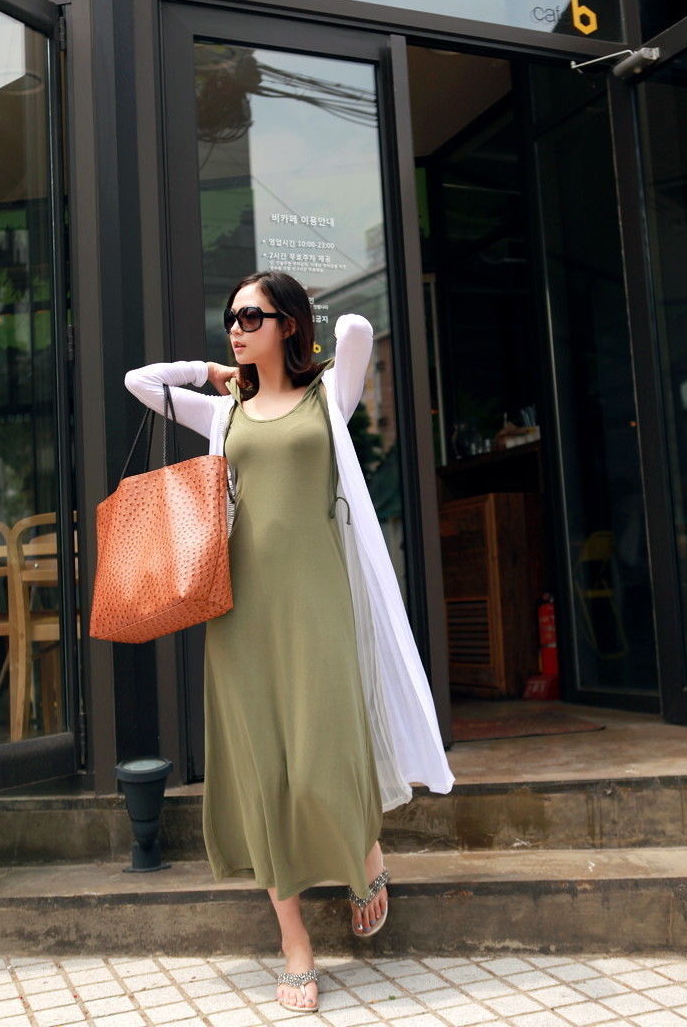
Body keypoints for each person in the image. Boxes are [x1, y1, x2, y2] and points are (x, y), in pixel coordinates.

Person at [124, 270, 455, 1013]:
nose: (236, 328)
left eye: (252, 316)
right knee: (264, 769)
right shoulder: (224, 410)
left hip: (317, 599)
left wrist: (311, 338)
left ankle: (364, 850)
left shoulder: (327, 398)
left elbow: (358, 333)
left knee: (321, 752)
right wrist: (208, 370)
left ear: (288, 324)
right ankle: (294, 942)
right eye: (230, 316)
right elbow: (138, 382)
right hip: (241, 611)